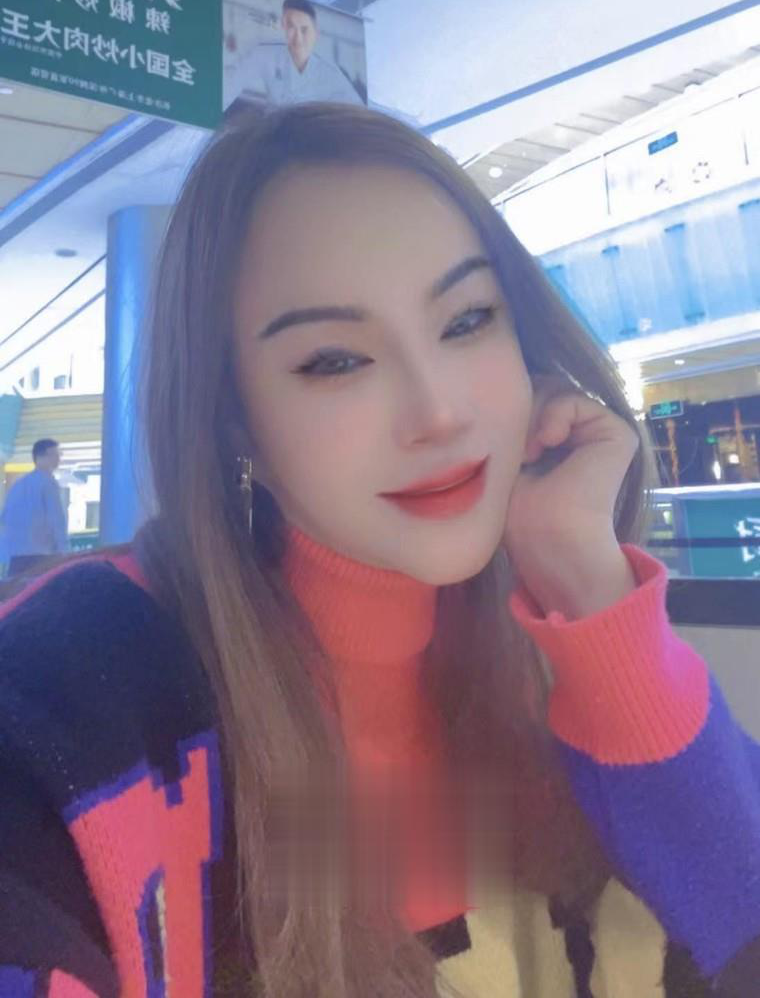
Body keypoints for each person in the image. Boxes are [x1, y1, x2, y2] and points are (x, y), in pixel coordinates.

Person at [0, 104, 758, 998]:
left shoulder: (557, 643)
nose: (438, 412)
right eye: (334, 361)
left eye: (467, 320)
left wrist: (588, 588)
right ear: (234, 420)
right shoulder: (77, 692)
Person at [226, 0, 363, 109]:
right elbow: (230, 84)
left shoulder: (330, 73)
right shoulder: (266, 54)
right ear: (284, 27)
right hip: (273, 129)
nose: (298, 37)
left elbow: (359, 114)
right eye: (291, 27)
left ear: (316, 33)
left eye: (304, 30)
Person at [0, 437, 68, 577]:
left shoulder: (18, 485)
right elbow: (56, 519)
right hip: (41, 555)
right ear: (40, 457)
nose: (58, 459)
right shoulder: (48, 482)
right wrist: (64, 550)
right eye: (54, 454)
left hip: (15, 555)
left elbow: (5, 518)